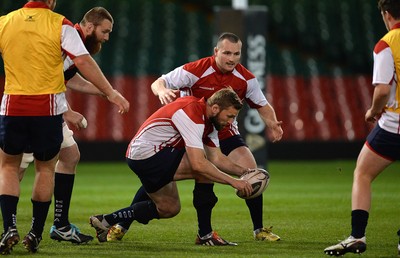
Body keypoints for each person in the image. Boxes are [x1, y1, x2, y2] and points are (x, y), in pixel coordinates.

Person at [106, 32, 283, 245]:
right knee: (169, 177)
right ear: (216, 52)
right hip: (191, 133)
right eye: (227, 52)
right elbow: (159, 82)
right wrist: (162, 91)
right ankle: (125, 224)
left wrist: (272, 123)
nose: (232, 58)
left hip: (224, 131)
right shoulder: (196, 70)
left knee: (251, 169)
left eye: (237, 54)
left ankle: (258, 229)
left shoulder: (246, 79)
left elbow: (262, 105)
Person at [0, 0, 129, 254]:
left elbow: (66, 75)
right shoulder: (62, 27)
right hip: (46, 109)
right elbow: (67, 67)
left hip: (13, 106)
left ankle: (26, 226)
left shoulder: (6, 21)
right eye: (105, 31)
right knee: (39, 169)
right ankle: (35, 230)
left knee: (21, 164)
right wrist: (108, 92)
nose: (106, 37)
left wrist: (103, 93)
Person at [89, 88, 254, 244]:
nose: (231, 122)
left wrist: (246, 172)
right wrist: (234, 182)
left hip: (148, 156)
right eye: (230, 116)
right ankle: (205, 234)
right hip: (147, 155)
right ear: (216, 108)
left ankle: (106, 220)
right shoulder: (193, 112)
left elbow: (217, 158)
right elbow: (199, 164)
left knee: (169, 208)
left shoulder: (210, 122)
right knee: (203, 171)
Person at [324, 0, 400, 256]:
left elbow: (382, 90)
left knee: (363, 173)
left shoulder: (386, 43)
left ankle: (357, 236)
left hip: (393, 127)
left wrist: (373, 110)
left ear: (386, 13)